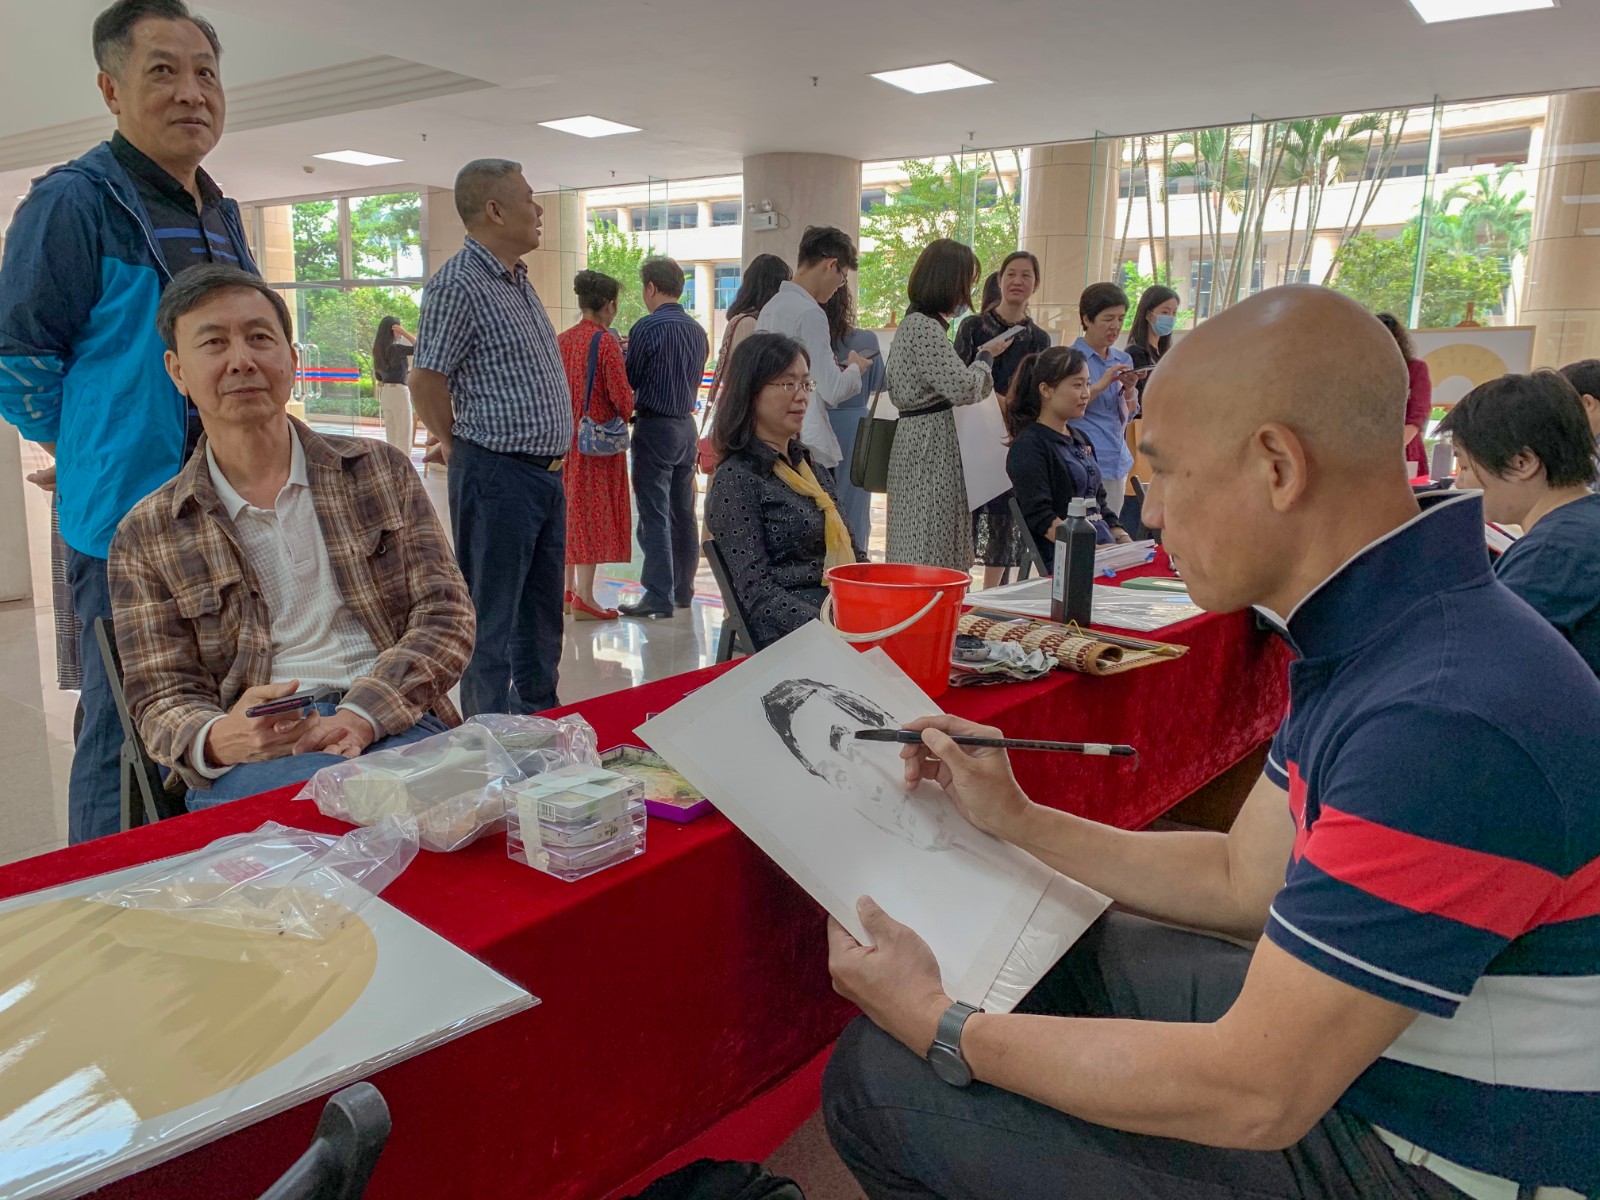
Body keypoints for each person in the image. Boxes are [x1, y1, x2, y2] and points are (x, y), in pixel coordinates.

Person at [822, 285, 1600, 1200]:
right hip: (1397, 1062)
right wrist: (1019, 820)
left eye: (1163, 474)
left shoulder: (1441, 716)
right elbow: (1242, 878)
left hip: (1446, 1154)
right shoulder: (1394, 630)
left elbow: (1257, 1094)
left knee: (880, 1082)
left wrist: (939, 1024)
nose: (1149, 514)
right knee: (1052, 963)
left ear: (1277, 466)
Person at [0, 0, 256, 843]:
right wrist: (83, 446)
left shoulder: (220, 212)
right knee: (126, 729)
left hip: (226, 511)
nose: (192, 92)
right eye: (163, 71)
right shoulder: (75, 204)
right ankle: (106, 893)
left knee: (212, 714)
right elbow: (17, 360)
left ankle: (191, 875)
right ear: (111, 89)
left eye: (206, 73)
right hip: (125, 523)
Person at [108, 266, 473, 807]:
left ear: (292, 359)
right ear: (177, 371)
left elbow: (446, 615)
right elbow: (160, 693)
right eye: (214, 343)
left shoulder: (378, 472)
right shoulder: (148, 533)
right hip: (259, 760)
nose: (241, 360)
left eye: (259, 338)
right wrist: (221, 739)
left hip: (392, 721)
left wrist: (362, 713)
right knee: (310, 845)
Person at [410, 158, 571, 715]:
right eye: (529, 198)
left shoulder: (516, 281)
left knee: (541, 616)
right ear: (496, 210)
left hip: (544, 477)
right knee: (493, 617)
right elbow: (425, 378)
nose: (539, 209)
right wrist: (454, 443)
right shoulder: (458, 284)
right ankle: (488, 735)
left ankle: (540, 719)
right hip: (497, 473)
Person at [705, 333, 866, 650]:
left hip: (839, 618)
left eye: (806, 384)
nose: (802, 396)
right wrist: (834, 627)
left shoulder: (809, 466)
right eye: (788, 383)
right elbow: (757, 595)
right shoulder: (738, 479)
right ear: (752, 392)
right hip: (790, 635)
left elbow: (854, 555)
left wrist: (883, 598)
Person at [1439, 371, 1600, 674]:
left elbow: (1477, 657)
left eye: (1464, 466)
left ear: (1522, 463)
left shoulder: (1553, 551)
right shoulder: (1583, 523)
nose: (1459, 483)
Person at [884, 239, 1012, 570]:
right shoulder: (924, 328)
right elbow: (964, 388)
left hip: (921, 440)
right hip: (930, 445)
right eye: (967, 282)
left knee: (920, 533)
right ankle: (931, 598)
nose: (968, 292)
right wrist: (985, 358)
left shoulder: (915, 324)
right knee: (929, 537)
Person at [954, 252, 1052, 589]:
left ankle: (991, 597)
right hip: (972, 435)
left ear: (1035, 284)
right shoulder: (973, 327)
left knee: (1003, 519)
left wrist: (1013, 410)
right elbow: (959, 379)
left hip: (1012, 435)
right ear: (999, 280)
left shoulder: (1039, 338)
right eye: (1011, 274)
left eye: (1026, 275)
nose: (1017, 281)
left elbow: (1036, 390)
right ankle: (960, 592)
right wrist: (999, 401)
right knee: (965, 517)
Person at [620, 257, 710, 620]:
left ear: (651, 288)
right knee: (683, 512)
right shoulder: (697, 331)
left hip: (655, 427)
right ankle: (683, 591)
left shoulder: (647, 327)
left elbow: (630, 377)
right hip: (687, 427)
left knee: (654, 512)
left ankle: (658, 594)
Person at [755, 225, 876, 470]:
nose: (839, 287)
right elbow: (833, 390)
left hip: (771, 433)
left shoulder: (771, 307)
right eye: (842, 278)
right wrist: (855, 368)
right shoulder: (810, 313)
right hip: (805, 441)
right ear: (831, 265)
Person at [1004, 347, 1130, 567]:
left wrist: (1124, 539)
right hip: (1068, 560)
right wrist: (1091, 550)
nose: (1086, 394)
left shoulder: (1080, 438)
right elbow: (1040, 516)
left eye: (1087, 384)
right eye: (1077, 385)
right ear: (1046, 390)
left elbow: (1099, 503)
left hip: (1103, 552)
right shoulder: (1029, 446)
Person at [558, 269, 634, 622]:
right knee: (591, 514)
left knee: (570, 511)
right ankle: (586, 598)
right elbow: (622, 398)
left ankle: (567, 590)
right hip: (596, 445)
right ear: (609, 305)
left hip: (565, 442)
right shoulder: (604, 342)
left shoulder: (562, 340)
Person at [1068, 283, 1141, 517]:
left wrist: (1130, 389)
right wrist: (1101, 384)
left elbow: (1128, 415)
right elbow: (1067, 407)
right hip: (1084, 459)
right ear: (1086, 319)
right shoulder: (1070, 359)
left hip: (1116, 459)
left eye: (1121, 319)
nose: (1115, 326)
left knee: (1112, 527)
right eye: (1108, 318)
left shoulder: (1122, 358)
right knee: (1085, 527)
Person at [823, 284, 886, 549]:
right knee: (854, 508)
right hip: (856, 427)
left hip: (816, 421)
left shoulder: (810, 339)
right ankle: (854, 560)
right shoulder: (866, 339)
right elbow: (880, 383)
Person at [1377, 313, 1433, 478]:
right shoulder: (1360, 371)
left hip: (1404, 450)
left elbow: (1417, 416)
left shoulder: (1416, 369)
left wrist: (1389, 451)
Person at [1124, 285, 1180, 407]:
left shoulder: (1164, 353)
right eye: (1165, 312)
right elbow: (1140, 398)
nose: (1170, 318)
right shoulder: (1136, 353)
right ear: (1148, 314)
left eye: (1174, 313)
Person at [371, 315, 416, 452]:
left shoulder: (378, 350)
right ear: (394, 329)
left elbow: (379, 377)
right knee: (404, 435)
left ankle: (393, 464)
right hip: (399, 393)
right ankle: (404, 465)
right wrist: (405, 333)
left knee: (392, 437)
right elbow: (421, 348)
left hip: (386, 394)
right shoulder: (395, 348)